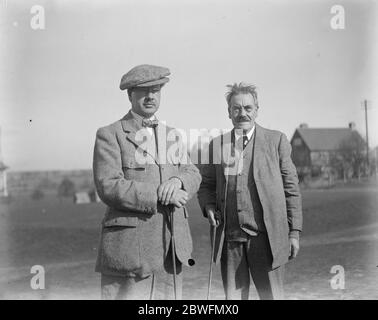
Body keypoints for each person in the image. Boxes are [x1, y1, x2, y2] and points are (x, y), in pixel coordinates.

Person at [93, 64, 201, 299]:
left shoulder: (172, 135)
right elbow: (108, 185)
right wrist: (161, 193)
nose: (151, 96)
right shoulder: (110, 134)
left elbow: (192, 171)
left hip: (172, 250)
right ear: (130, 95)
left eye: (156, 89)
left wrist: (178, 181)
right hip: (131, 254)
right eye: (143, 90)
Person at [197, 82, 302, 300]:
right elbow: (205, 185)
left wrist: (294, 233)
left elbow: (291, 189)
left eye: (247, 108)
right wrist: (208, 207)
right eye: (236, 108)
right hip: (231, 241)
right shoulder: (217, 145)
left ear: (256, 110)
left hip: (267, 241)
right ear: (229, 112)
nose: (242, 113)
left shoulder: (276, 140)